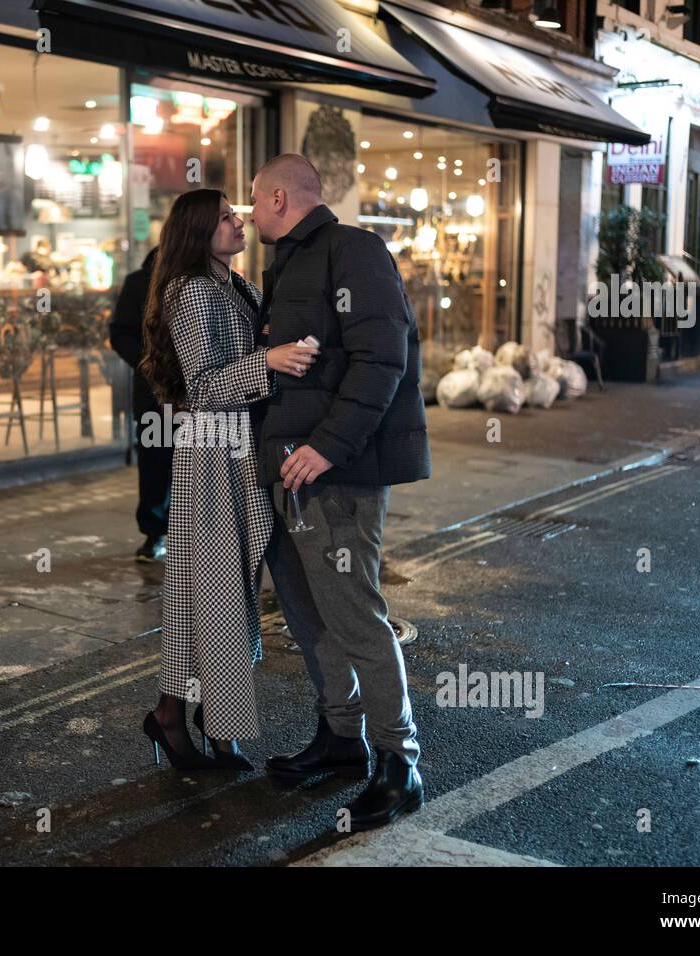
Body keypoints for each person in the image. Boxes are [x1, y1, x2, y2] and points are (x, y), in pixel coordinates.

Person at [249, 153, 430, 832]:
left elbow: (384, 357)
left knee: (355, 614)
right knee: (309, 616)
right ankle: (342, 737)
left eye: (253, 201)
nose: (250, 213)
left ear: (276, 197)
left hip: (338, 474)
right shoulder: (293, 261)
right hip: (290, 471)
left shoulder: (352, 250)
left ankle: (398, 760)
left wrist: (328, 446)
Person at [138, 188, 319, 771]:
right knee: (214, 593)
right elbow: (203, 387)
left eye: (234, 212)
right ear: (197, 231)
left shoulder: (233, 284)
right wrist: (266, 361)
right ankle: (195, 723)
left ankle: (193, 718)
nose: (237, 220)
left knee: (217, 594)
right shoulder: (190, 291)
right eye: (223, 217)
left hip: (232, 449)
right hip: (210, 451)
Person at [110, 248, 172, 562]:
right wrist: (149, 365)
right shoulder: (140, 282)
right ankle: (154, 531)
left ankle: (186, 530)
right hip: (155, 394)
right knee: (156, 464)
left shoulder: (206, 279)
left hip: (198, 397)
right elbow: (120, 333)